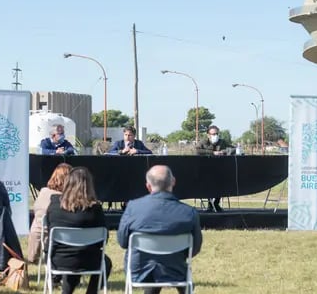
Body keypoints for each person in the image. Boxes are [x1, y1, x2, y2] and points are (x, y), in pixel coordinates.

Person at [117, 165, 202, 294]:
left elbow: (123, 242)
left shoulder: (133, 208)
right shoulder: (189, 213)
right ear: (173, 182)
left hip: (139, 271)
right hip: (176, 271)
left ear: (148, 186)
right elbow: (194, 248)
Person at [46, 166, 112, 294]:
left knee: (75, 258)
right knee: (104, 262)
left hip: (59, 259)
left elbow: (49, 230)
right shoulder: (95, 209)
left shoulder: (54, 205)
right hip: (89, 259)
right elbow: (105, 238)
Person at [28, 163, 71, 262]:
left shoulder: (43, 192)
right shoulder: (65, 198)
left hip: (38, 230)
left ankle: (32, 256)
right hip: (60, 235)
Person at [195, 125, 234, 212]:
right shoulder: (203, 142)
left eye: (216, 133)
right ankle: (210, 204)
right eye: (213, 134)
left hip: (219, 169)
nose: (215, 135)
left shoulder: (222, 142)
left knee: (221, 183)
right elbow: (198, 150)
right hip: (206, 169)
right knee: (208, 184)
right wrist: (213, 153)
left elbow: (233, 148)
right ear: (208, 134)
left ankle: (216, 203)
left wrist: (223, 152)